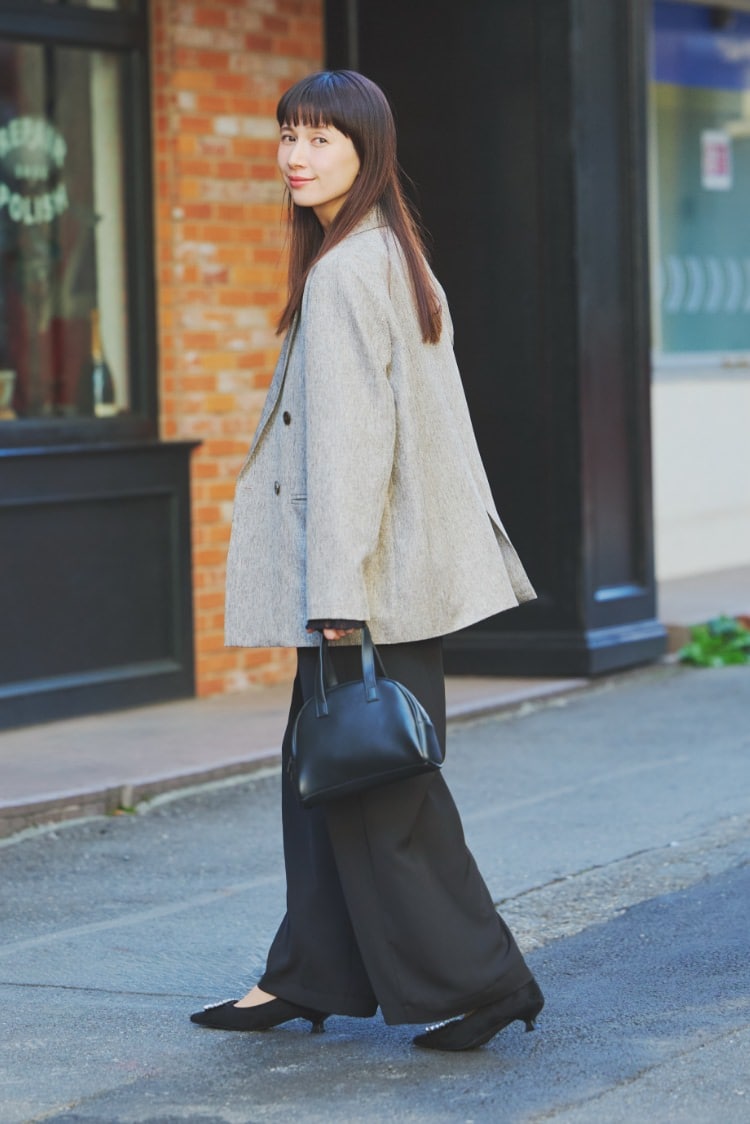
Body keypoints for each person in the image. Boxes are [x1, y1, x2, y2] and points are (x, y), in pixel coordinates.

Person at [190, 69, 544, 1052]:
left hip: (365, 584)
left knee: (385, 791)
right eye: (288, 136)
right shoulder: (387, 253)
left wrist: (337, 596)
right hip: (388, 575)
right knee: (325, 775)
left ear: (367, 151)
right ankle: (304, 974)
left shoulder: (346, 271)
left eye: (321, 139)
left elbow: (353, 449)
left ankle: (490, 980)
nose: (295, 157)